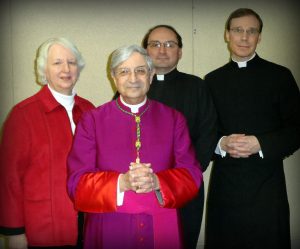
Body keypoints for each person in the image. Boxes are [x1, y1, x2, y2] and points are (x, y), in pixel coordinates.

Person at [67, 44, 203, 249]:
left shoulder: (174, 119)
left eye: (140, 71)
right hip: (109, 224)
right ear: (114, 77)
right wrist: (122, 182)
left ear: (150, 76)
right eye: (124, 71)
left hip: (162, 223)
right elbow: (76, 183)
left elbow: (192, 175)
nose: (133, 78)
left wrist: (158, 181)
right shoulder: (92, 120)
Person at [114, 25, 218, 249]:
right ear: (145, 51)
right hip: (139, 188)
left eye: (170, 45)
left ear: (180, 52)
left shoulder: (197, 86)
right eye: (155, 44)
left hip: (184, 187)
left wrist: (187, 175)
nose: (162, 50)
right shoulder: (133, 85)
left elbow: (208, 132)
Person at [204, 8, 300, 249]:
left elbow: (297, 128)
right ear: (227, 35)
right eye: (238, 30)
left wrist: (261, 143)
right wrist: (221, 143)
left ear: (259, 37)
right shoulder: (212, 80)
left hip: (267, 186)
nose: (244, 37)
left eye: (251, 31)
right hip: (225, 187)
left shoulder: (280, 76)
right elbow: (204, 131)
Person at [0, 37, 95, 248]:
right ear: (44, 69)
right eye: (57, 62)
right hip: (42, 228)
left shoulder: (90, 110)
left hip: (88, 224)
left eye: (71, 62)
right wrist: (14, 233)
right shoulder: (22, 114)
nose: (66, 68)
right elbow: (9, 178)